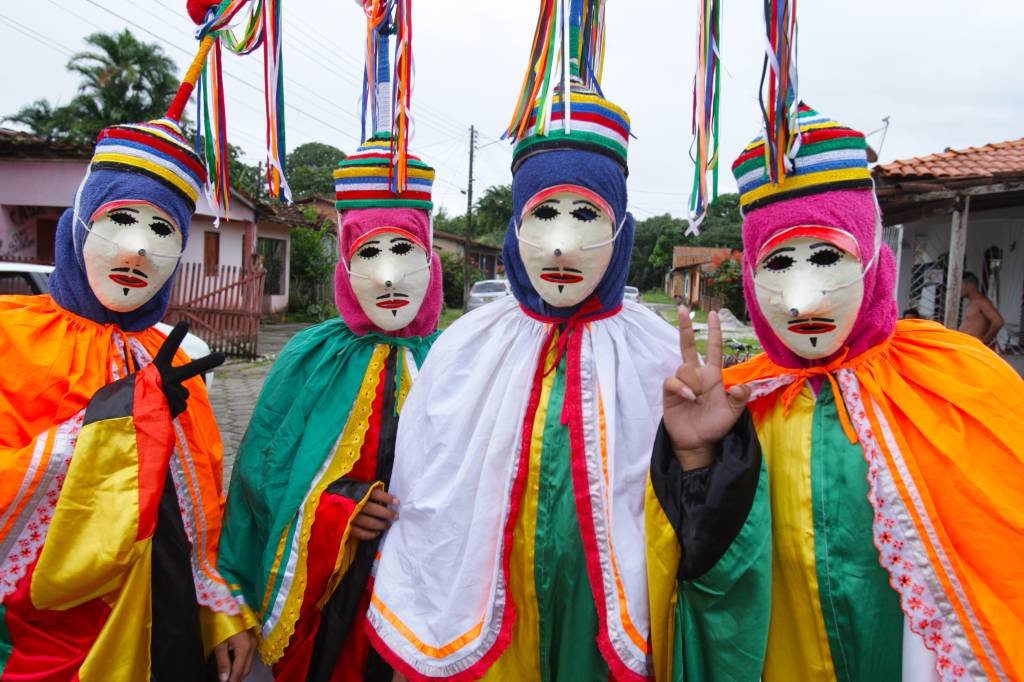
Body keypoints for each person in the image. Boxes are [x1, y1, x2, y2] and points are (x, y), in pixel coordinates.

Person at [364, 5, 721, 678]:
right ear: (514, 226)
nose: (561, 242)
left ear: (623, 230)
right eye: (543, 213)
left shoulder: (660, 355)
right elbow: (425, 491)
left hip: (604, 627)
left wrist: (701, 452)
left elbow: (702, 517)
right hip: (491, 623)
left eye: (586, 214)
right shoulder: (464, 348)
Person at [651, 105, 1024, 680]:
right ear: (752, 276)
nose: (804, 302)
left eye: (827, 255)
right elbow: (702, 580)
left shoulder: (962, 377)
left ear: (875, 260)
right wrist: (696, 457)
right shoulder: (735, 401)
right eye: (777, 263)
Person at [215, 8, 442, 680]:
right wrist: (337, 509)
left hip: (422, 610)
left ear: (432, 257)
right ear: (344, 262)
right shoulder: (307, 360)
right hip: (327, 610)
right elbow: (260, 482)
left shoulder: (455, 362)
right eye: (369, 251)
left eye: (406, 249)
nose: (390, 273)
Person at [0, 115, 255, 681]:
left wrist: (220, 612)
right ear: (79, 227)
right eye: (120, 220)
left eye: (163, 231)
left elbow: (200, 501)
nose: (139, 249)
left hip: (167, 626)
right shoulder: (8, 338)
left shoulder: (173, 355)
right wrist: (118, 422)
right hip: (45, 639)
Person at [959, 271, 1004, 345]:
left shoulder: (981, 301)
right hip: (965, 344)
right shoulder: (973, 302)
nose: (959, 289)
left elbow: (998, 321)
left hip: (973, 346)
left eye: (961, 285)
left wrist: (985, 341)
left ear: (970, 285)